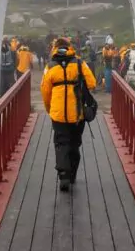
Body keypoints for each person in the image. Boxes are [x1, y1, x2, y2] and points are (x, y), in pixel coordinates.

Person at [40, 38, 97, 192]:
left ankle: (63, 175)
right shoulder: (79, 63)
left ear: (55, 48)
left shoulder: (49, 66)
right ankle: (72, 174)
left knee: (61, 143)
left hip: (58, 114)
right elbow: (92, 83)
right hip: (77, 113)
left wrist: (49, 108)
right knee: (74, 144)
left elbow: (45, 91)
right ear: (69, 48)